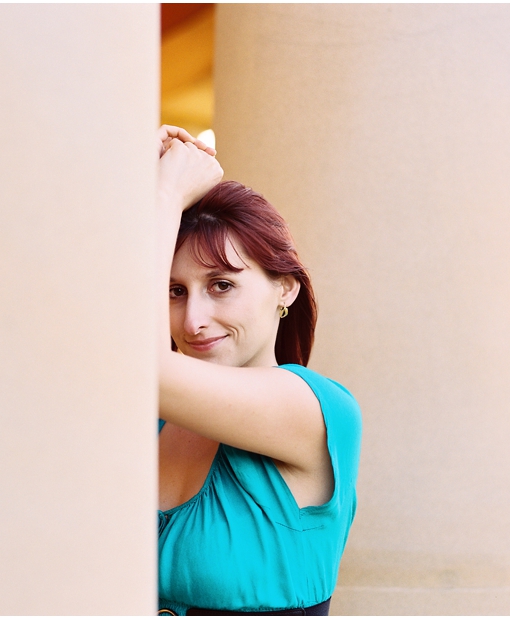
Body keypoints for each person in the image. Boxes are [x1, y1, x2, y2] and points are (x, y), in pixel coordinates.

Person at [155, 125, 362, 616]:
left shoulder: (313, 407)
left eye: (221, 285)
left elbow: (125, 359)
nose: (193, 320)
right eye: (174, 290)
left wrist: (166, 193)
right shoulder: (151, 421)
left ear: (284, 289)